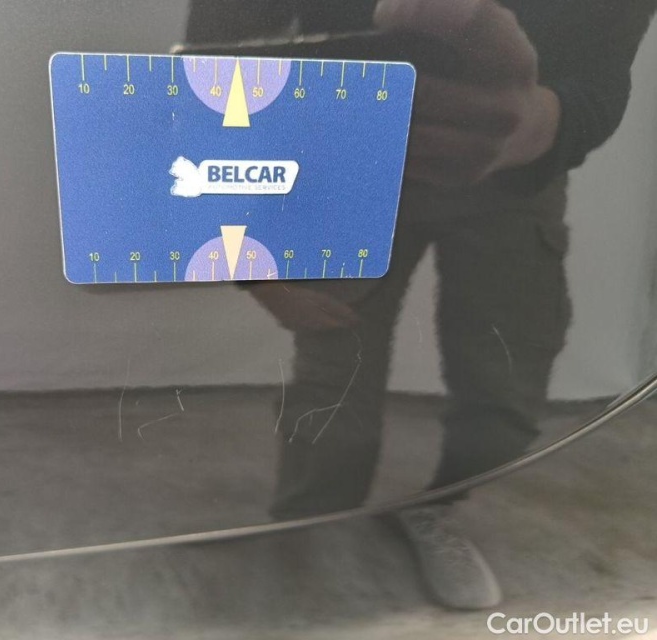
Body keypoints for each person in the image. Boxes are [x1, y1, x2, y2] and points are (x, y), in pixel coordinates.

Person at [185, 0, 656, 609]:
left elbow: (601, 78)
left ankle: (434, 507)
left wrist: (536, 125)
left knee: (506, 387)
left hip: (510, 179)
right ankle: (310, 526)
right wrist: (255, 270)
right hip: (347, 160)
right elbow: (213, 71)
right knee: (334, 378)